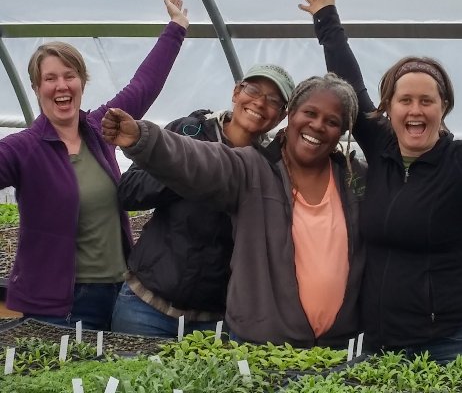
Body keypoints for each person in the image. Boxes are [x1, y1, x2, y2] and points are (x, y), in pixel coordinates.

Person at [298, 0, 462, 367]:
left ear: (443, 107)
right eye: (405, 100)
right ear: (388, 107)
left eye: (427, 100)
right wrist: (326, 18)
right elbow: (350, 83)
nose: (416, 110)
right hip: (384, 341)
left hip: (456, 340)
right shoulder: (381, 146)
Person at [102, 73, 366, 348]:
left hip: (336, 347)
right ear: (291, 115)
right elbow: (197, 159)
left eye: (332, 121)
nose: (318, 125)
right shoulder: (255, 168)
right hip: (264, 345)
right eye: (309, 113)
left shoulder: (355, 179)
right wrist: (144, 138)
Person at [0, 0, 189, 331]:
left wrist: (175, 29)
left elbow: (143, 86)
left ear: (82, 82)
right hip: (58, 304)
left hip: (118, 292)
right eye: (50, 78)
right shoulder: (23, 148)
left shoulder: (101, 128)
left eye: (69, 76)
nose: (61, 86)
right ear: (36, 87)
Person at [111, 64, 294, 337]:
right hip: (145, 306)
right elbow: (130, 192)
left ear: (281, 117)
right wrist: (191, 171)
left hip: (214, 321)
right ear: (236, 92)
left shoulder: (269, 167)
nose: (259, 102)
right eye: (254, 90)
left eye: (274, 101)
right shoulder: (188, 132)